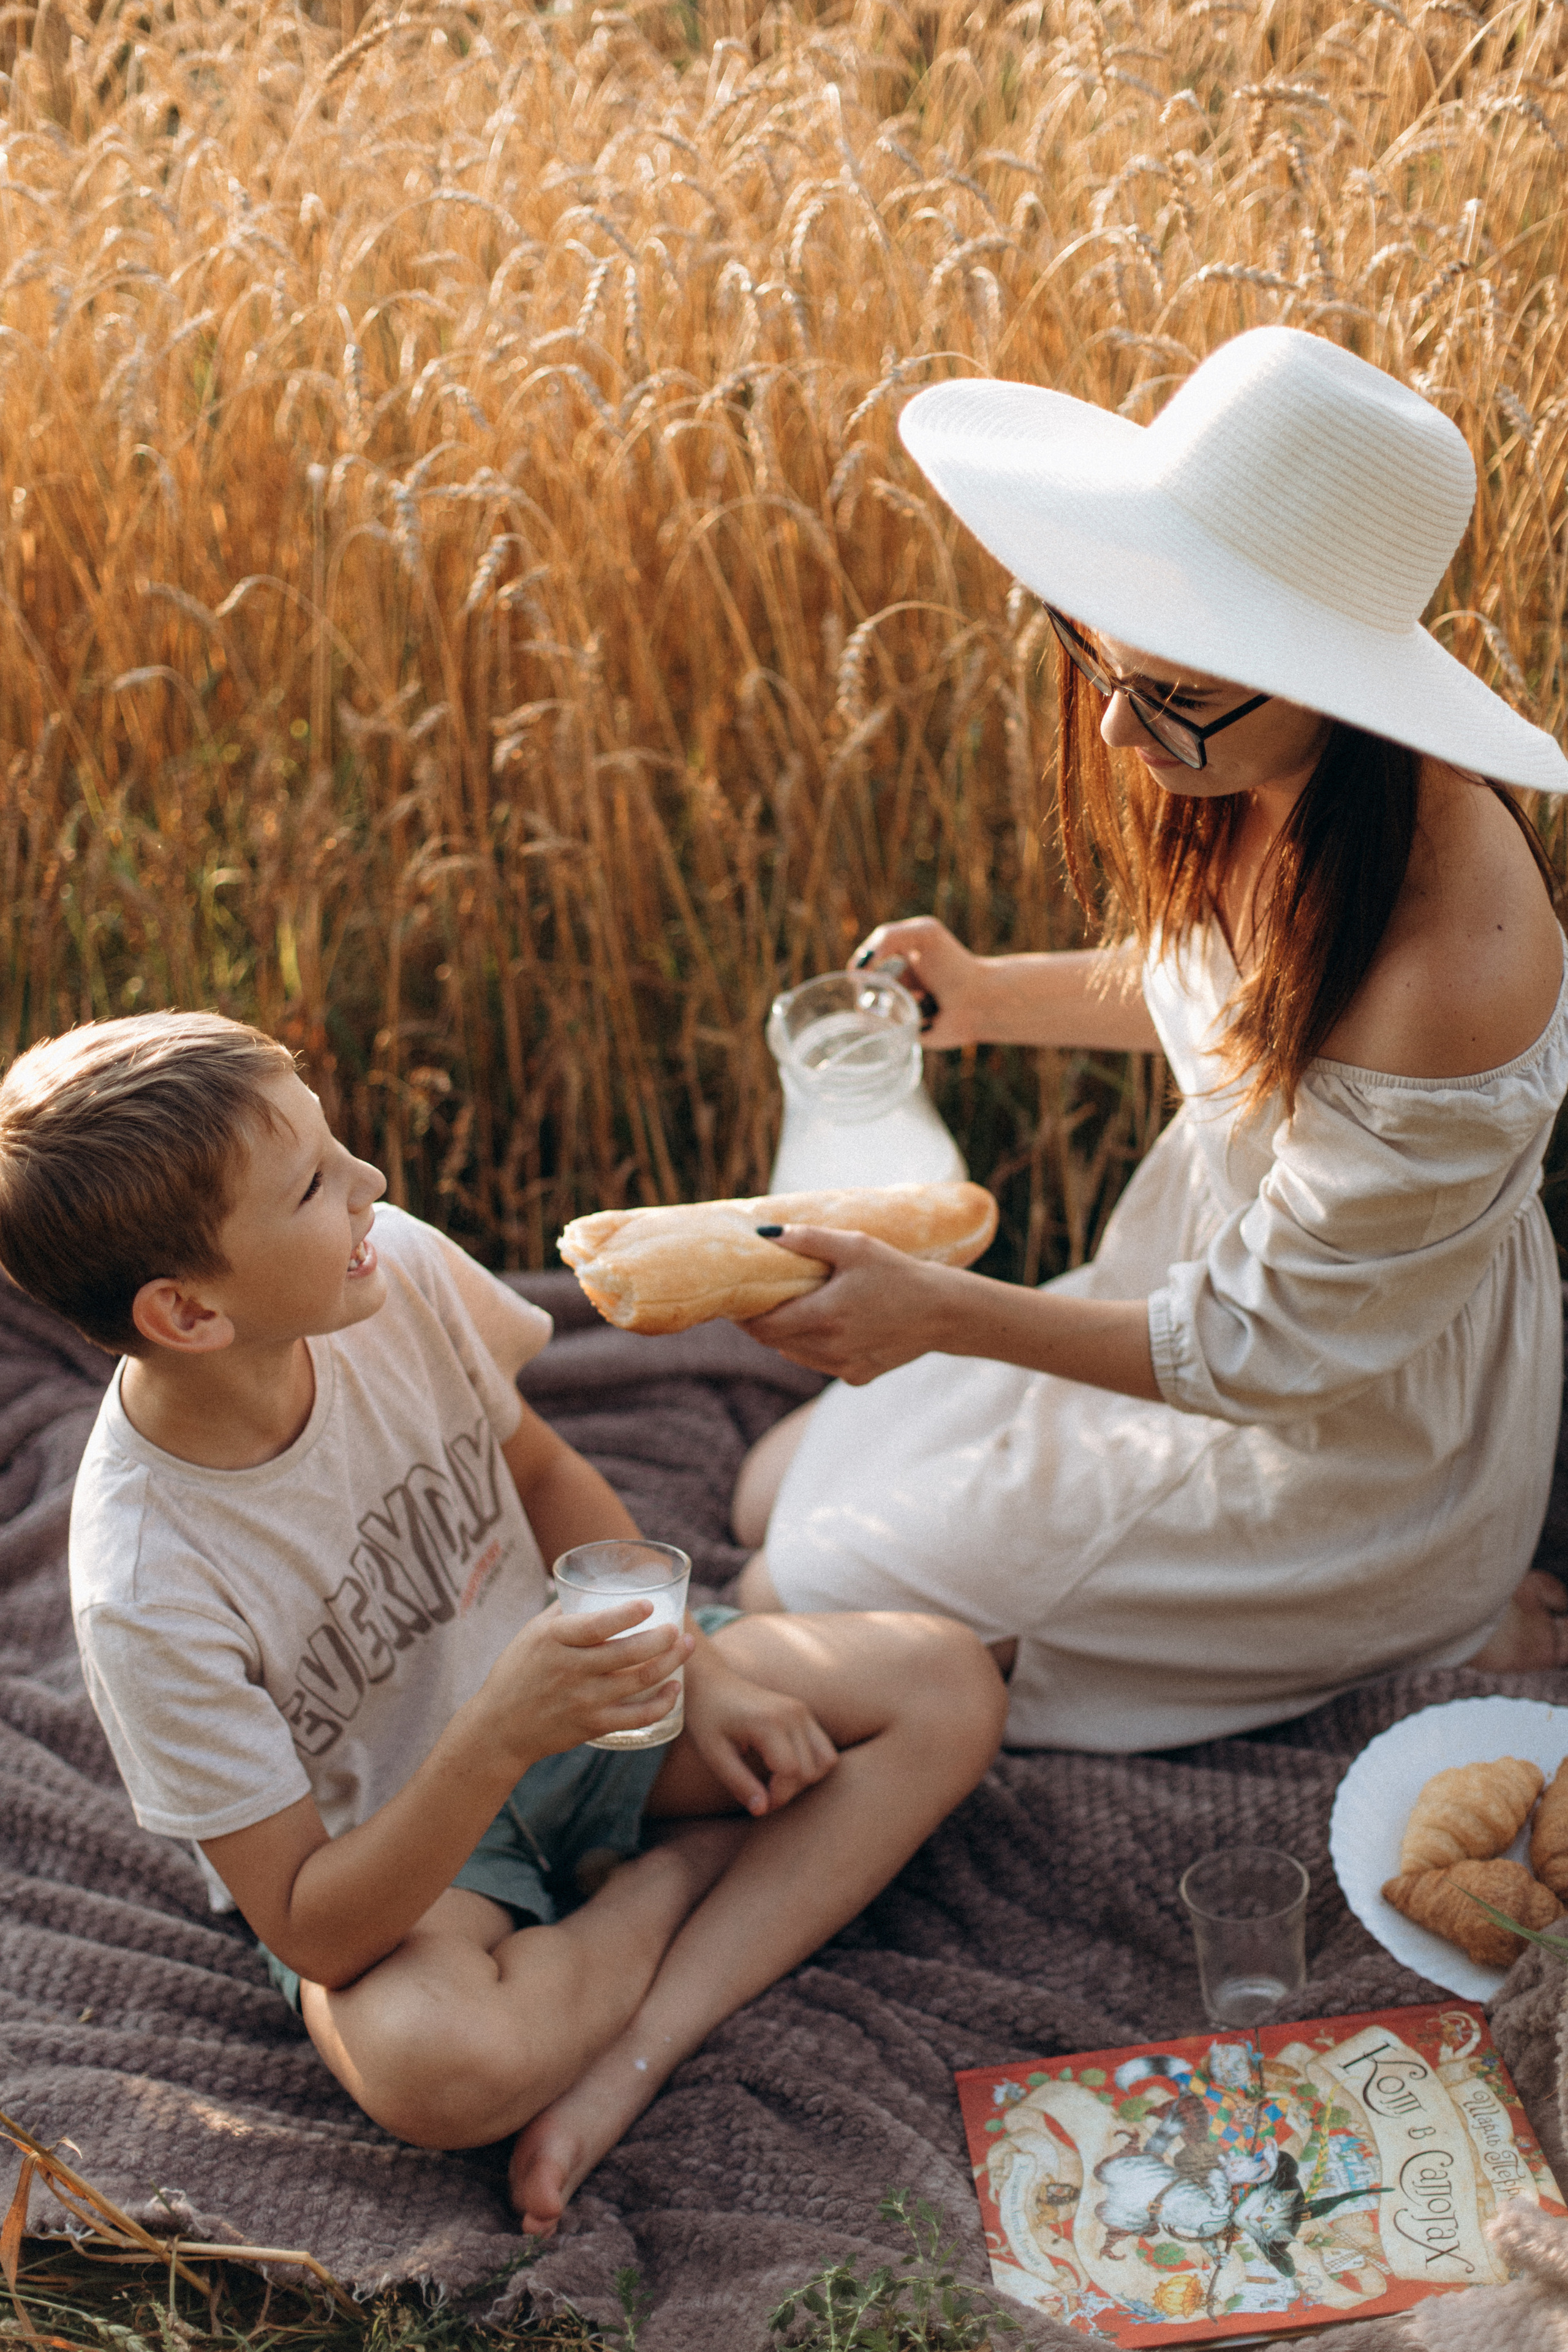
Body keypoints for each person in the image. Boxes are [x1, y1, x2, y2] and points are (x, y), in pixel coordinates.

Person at [0, 1013, 1005, 2233]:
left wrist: (695, 1670)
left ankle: (634, 2040)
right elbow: (315, 1926)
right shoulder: (142, 1585)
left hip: (589, 1709)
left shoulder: (397, 1275)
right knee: (435, 2067)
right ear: (189, 1314)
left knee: (945, 1682)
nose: (370, 1185)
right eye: (317, 1183)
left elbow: (539, 1475)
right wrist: (493, 1736)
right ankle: (692, 1871)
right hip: (408, 1860)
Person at [731, 325, 1568, 1752]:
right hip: (1194, 1280)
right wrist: (990, 995)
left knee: (788, 1582)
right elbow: (1229, 1014)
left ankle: (1428, 1604)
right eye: (1101, 660)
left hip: (1335, 1431)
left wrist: (940, 1314)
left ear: (1327, 677)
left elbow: (1265, 1345)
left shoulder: (1444, 964)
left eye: (1171, 693)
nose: (1117, 726)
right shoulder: (1275, 767)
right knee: (765, 1496)